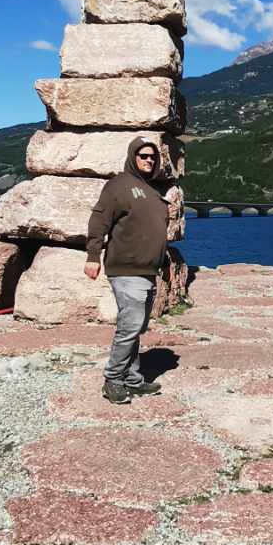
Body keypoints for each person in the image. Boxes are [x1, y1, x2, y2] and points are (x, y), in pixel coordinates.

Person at [84, 136, 171, 403]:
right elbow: (99, 220)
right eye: (143, 156)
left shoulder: (151, 190)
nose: (149, 160)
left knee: (137, 328)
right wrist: (93, 256)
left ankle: (132, 379)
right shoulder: (119, 185)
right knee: (130, 326)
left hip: (148, 271)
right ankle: (113, 379)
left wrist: (163, 262)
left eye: (153, 157)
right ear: (133, 157)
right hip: (126, 269)